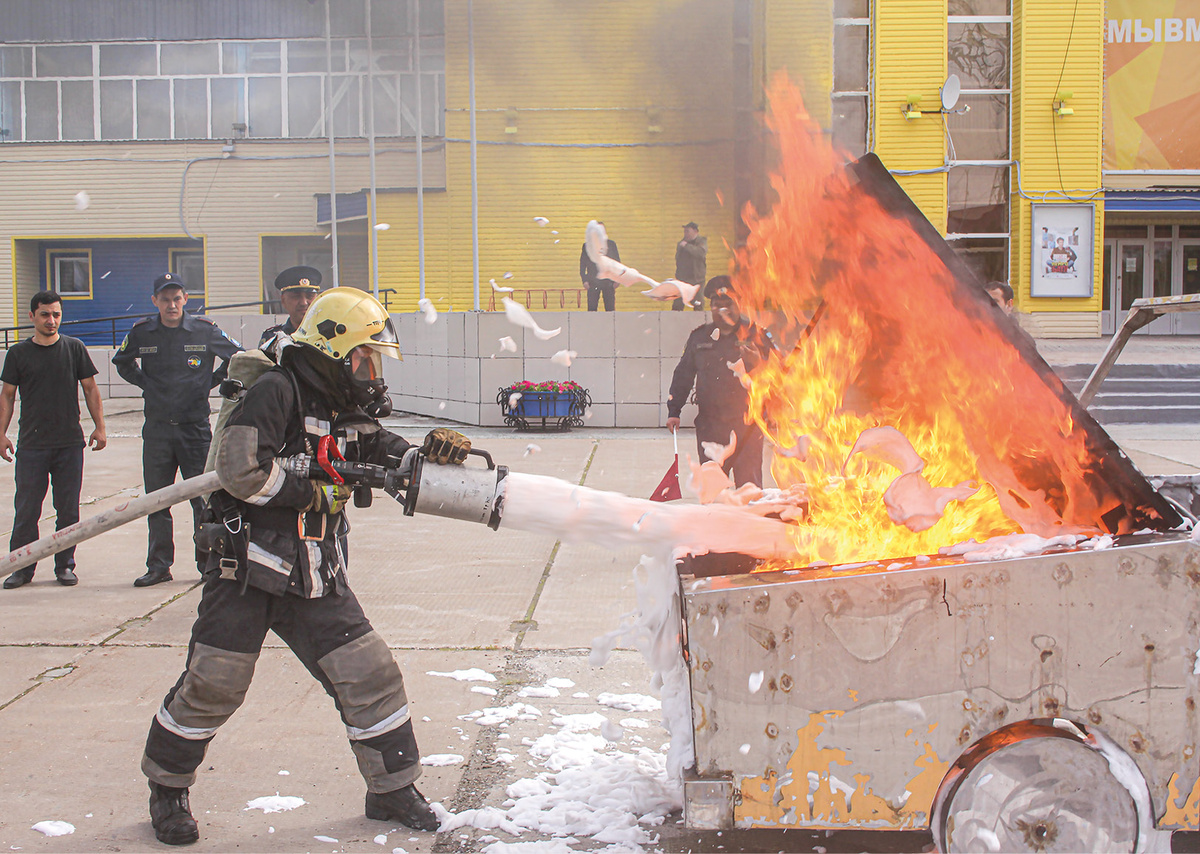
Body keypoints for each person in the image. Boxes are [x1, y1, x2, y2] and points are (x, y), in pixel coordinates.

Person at [138, 287, 470, 845]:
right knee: (215, 683)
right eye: (365, 357)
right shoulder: (275, 389)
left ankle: (391, 788)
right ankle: (167, 788)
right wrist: (315, 494)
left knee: (370, 675)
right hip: (247, 569)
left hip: (315, 572)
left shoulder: (338, 404)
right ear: (335, 350)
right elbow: (241, 469)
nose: (371, 371)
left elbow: (375, 446)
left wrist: (423, 454)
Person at [112, 272, 242, 587]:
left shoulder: (204, 330)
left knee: (202, 500)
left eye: (176, 298)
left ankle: (207, 565)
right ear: (155, 301)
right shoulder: (143, 332)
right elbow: (122, 362)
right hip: (157, 430)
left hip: (194, 430)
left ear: (185, 299)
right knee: (157, 501)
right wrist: (147, 384)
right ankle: (159, 566)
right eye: (165, 299)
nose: (171, 305)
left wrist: (210, 382)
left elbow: (237, 356)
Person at [1, 291, 106, 589]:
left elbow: (90, 389)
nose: (51, 320)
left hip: (69, 445)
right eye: (45, 314)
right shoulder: (18, 353)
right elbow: (7, 395)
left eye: (56, 314)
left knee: (68, 510)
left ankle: (65, 565)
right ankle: (21, 569)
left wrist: (100, 427)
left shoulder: (74, 348)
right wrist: (1, 433)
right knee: (27, 510)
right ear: (32, 316)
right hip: (32, 446)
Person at [666, 275, 769, 488]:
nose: (722, 309)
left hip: (747, 426)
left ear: (739, 304)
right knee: (712, 490)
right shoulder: (700, 337)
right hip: (710, 426)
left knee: (749, 490)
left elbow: (782, 374)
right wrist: (674, 410)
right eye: (716, 304)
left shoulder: (756, 335)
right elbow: (684, 373)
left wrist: (758, 364)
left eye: (728, 304)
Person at [259, 265, 322, 345]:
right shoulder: (272, 338)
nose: (304, 303)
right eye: (296, 296)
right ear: (283, 300)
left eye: (309, 296)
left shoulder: (330, 335)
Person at [579, 225, 620, 312]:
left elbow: (617, 263)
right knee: (592, 309)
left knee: (610, 309)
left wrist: (617, 279)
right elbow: (582, 264)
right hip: (593, 281)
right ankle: (592, 321)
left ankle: (610, 321)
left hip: (608, 281)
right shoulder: (587, 246)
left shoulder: (611, 244)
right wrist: (584, 280)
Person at [672, 221, 707, 311]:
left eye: (688, 231)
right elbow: (678, 259)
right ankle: (675, 319)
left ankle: (699, 319)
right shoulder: (682, 243)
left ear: (695, 231)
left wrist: (687, 246)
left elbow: (700, 253)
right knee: (677, 304)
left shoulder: (701, 242)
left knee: (698, 303)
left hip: (696, 280)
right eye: (685, 231)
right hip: (682, 279)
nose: (686, 234)